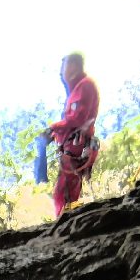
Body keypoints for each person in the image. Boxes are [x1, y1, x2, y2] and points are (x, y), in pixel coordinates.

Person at [46, 53, 100, 218]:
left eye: (64, 67)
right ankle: (67, 217)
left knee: (65, 189)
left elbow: (77, 119)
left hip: (77, 146)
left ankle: (67, 219)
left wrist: (53, 128)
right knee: (67, 188)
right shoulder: (79, 87)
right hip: (74, 145)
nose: (61, 73)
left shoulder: (84, 86)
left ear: (74, 67)